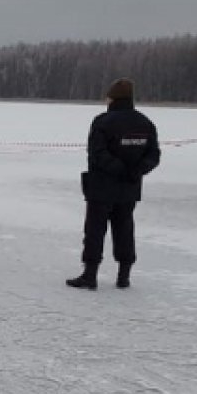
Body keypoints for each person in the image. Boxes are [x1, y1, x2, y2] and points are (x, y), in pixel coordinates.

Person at [66, 78, 161, 290]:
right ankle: (123, 276)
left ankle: (90, 275)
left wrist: (119, 169)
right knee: (124, 229)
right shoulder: (145, 123)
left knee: (95, 230)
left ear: (112, 98)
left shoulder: (103, 121)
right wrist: (135, 171)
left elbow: (97, 153)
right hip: (129, 188)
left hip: (102, 187)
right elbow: (153, 155)